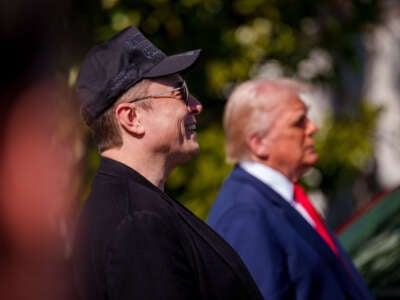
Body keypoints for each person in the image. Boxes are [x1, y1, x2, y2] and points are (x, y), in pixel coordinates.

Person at [72, 26, 263, 300]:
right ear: (131, 118)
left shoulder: (135, 206)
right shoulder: (137, 224)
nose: (196, 105)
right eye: (180, 93)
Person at [207, 78, 375, 300]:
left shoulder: (280, 199)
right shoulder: (245, 215)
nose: (312, 128)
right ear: (258, 142)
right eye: (299, 122)